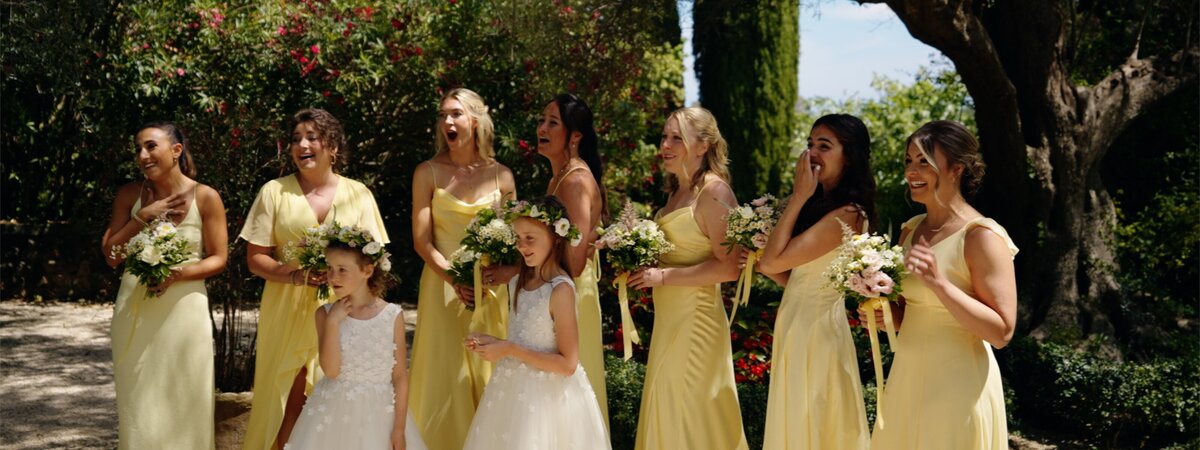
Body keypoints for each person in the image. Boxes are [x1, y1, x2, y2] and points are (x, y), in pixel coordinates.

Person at [241, 109, 390, 450]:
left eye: (312, 137)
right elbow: (255, 258)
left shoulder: (359, 194)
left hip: (345, 309)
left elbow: (373, 259)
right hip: (286, 308)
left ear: (333, 147)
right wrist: (295, 275)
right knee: (287, 402)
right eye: (296, 139)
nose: (302, 145)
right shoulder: (274, 192)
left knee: (335, 401)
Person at [867, 120, 1018, 450]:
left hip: (957, 386)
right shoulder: (910, 230)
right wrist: (884, 311)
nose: (912, 171)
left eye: (924, 161)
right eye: (909, 160)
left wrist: (940, 285)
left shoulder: (981, 236)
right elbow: (909, 313)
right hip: (906, 378)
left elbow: (1002, 332)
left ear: (957, 168)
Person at [482, 93, 609, 425]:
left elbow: (575, 262)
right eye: (541, 120)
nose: (542, 128)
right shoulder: (559, 177)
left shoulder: (576, 181)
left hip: (568, 297)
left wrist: (513, 271)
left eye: (553, 122)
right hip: (550, 293)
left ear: (575, 136)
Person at [628, 107, 748, 450]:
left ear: (703, 145)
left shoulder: (714, 192)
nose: (665, 145)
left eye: (677, 138)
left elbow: (729, 267)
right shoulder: (675, 192)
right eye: (664, 137)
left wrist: (662, 276)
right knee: (668, 404)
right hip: (669, 318)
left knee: (688, 410)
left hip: (696, 321)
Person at [102, 122, 227, 449]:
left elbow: (219, 258)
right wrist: (142, 217)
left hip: (185, 310)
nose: (143, 156)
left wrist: (177, 274)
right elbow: (112, 256)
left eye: (150, 146)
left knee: (186, 395)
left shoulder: (206, 197)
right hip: (135, 309)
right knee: (139, 399)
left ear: (176, 150)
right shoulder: (129, 195)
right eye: (138, 149)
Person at [754, 114, 875, 450]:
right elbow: (789, 275)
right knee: (796, 419)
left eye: (824, 145)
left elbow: (773, 260)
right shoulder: (820, 206)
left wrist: (797, 196)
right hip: (795, 322)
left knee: (815, 419)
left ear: (849, 156)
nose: (812, 154)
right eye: (810, 144)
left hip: (818, 331)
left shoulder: (848, 215)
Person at [408, 88, 517, 450]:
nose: (447, 122)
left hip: (490, 291)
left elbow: (515, 241)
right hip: (442, 286)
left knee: (489, 374)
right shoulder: (427, 172)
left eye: (455, 114)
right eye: (443, 115)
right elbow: (422, 241)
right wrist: (455, 278)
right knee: (443, 376)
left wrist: (502, 274)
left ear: (476, 120)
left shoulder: (502, 176)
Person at [462, 197, 610, 450]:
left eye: (530, 238)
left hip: (549, 400)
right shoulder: (516, 283)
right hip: (510, 392)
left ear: (556, 238)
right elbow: (522, 338)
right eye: (518, 238)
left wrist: (508, 349)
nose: (521, 246)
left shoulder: (560, 290)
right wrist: (493, 343)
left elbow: (568, 364)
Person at [284, 227, 427, 450]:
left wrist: (399, 428)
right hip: (333, 416)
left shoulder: (391, 316)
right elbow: (331, 371)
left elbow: (399, 376)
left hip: (381, 416)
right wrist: (333, 322)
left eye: (342, 270)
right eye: (330, 268)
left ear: (367, 270)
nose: (333, 277)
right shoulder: (325, 315)